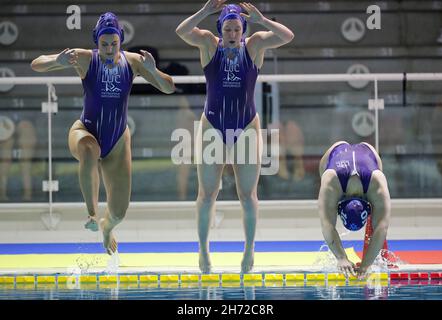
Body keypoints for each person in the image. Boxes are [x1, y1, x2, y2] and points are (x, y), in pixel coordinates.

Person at [31, 12, 175, 254]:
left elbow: (168, 88)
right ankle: (92, 213)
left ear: (120, 41)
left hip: (117, 141)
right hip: (84, 130)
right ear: (97, 43)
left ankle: (107, 228)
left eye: (114, 44)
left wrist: (154, 70)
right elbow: (37, 64)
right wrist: (59, 60)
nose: (109, 49)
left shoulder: (133, 62)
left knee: (119, 212)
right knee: (89, 149)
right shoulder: (86, 59)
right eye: (104, 44)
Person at [176, 1, 294, 273]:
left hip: (246, 126)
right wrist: (203, 12)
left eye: (236, 28)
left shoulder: (254, 46)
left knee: (247, 194)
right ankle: (203, 251)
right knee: (207, 194)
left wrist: (263, 19)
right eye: (227, 28)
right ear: (220, 29)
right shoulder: (208, 44)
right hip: (212, 126)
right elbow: (181, 32)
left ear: (243, 29)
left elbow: (287, 37)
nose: (232, 34)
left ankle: (249, 250)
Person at [318, 141, 391, 278]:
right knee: (380, 218)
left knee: (379, 221)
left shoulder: (376, 182)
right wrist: (342, 258)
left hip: (364, 157)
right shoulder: (331, 180)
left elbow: (382, 228)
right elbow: (327, 225)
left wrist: (365, 264)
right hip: (343, 154)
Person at [0, 114, 37, 201]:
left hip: (11, 123)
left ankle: (26, 196)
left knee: (23, 165)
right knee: (22, 166)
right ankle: (26, 196)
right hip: (9, 123)